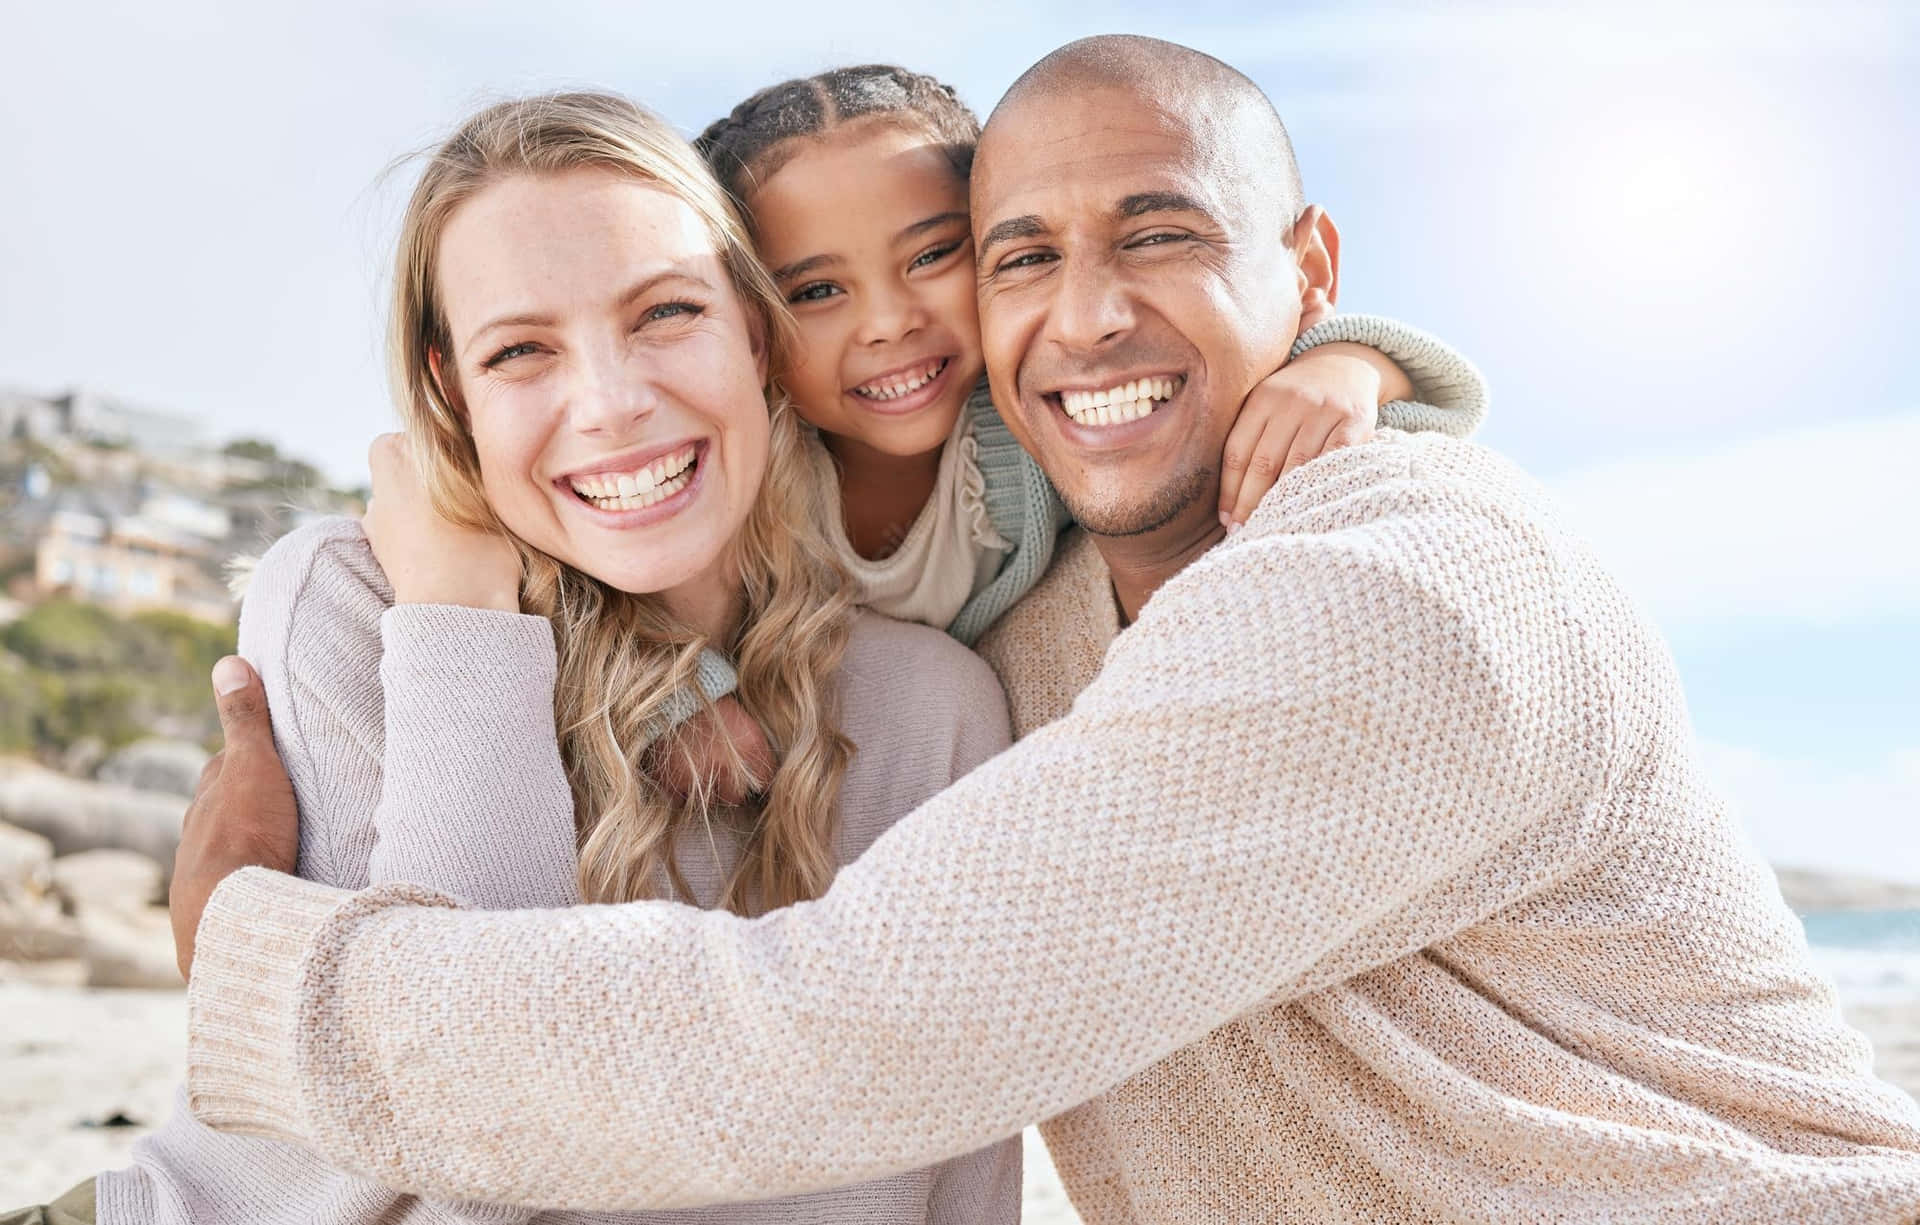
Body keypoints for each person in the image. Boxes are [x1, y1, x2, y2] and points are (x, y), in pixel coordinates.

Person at [163, 34, 1920, 1225]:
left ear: (1310, 270)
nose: (1080, 316)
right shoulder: (1039, 629)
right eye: (1018, 259)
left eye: (1156, 234)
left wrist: (259, 963)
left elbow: (837, 1033)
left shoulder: (1387, 592)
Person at [25, 90, 1026, 1225]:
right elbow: (457, 1120)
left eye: (664, 314)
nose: (610, 403)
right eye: (521, 350)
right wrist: (463, 624)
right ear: (452, 390)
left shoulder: (936, 707)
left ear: (756, 333)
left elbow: (962, 1178)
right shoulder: (353, 603)